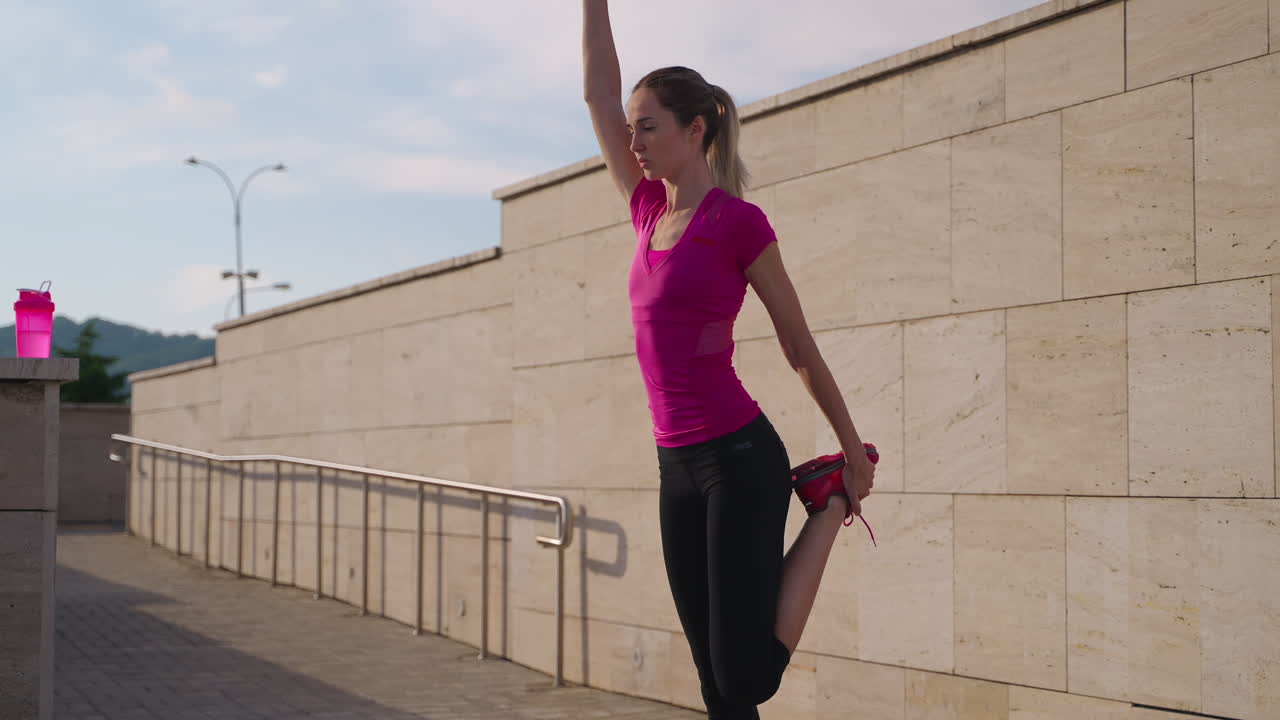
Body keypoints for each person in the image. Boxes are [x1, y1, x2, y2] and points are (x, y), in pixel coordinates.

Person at [581, 2, 875, 717]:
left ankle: (829, 500)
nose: (634, 140)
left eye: (648, 125)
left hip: (739, 458)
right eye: (631, 128)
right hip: (675, 465)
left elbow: (797, 342)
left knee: (746, 678)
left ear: (695, 128)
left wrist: (847, 447)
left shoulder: (738, 224)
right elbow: (596, 92)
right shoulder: (649, 210)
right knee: (716, 683)